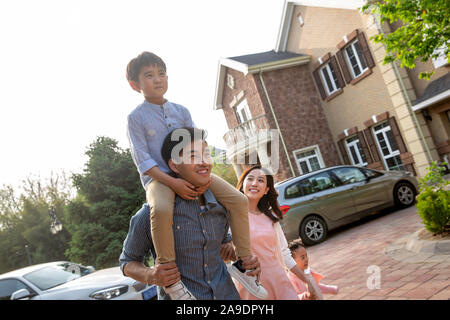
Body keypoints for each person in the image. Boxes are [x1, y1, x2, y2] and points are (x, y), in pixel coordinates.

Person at [125, 52, 265, 299]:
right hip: (160, 179)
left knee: (238, 199)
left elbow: (196, 142)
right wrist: (172, 182)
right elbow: (143, 160)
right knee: (163, 209)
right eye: (149, 75)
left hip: (190, 173)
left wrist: (193, 171)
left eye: (162, 73)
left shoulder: (181, 110)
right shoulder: (135, 118)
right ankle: (171, 279)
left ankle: (244, 263)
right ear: (134, 84)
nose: (158, 80)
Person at [119, 127, 266, 300]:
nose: (204, 162)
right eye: (193, 156)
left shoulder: (222, 205)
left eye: (206, 154)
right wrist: (151, 275)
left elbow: (224, 247)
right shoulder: (151, 214)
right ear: (174, 165)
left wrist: (241, 257)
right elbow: (127, 262)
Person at [235, 165, 323, 300]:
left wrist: (307, 281)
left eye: (260, 180)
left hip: (278, 279)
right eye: (250, 179)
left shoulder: (271, 218)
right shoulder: (233, 217)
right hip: (251, 284)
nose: (254, 183)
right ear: (242, 184)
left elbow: (285, 254)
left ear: (266, 190)